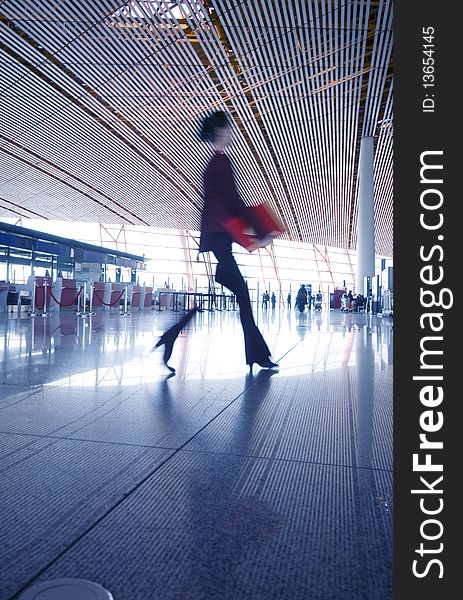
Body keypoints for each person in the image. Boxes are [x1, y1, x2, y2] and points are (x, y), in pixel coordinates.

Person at [155, 110, 278, 372]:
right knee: (242, 296)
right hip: (220, 242)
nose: (233, 132)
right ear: (220, 131)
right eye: (229, 128)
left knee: (236, 296)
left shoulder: (215, 163)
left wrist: (254, 231)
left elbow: (224, 204)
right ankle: (257, 355)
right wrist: (261, 231)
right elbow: (232, 202)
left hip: (217, 241)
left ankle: (170, 337)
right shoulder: (221, 162)